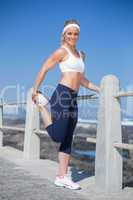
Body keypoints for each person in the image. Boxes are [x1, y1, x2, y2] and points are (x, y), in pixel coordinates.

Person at [32, 19, 100, 190]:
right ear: (64, 34)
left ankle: (62, 177)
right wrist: (35, 90)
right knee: (57, 136)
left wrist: (100, 89)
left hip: (73, 98)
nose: (73, 36)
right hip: (62, 95)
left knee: (68, 138)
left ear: (79, 35)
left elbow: (82, 80)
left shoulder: (81, 55)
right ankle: (42, 106)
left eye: (76, 33)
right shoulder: (61, 52)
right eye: (69, 33)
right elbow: (44, 68)